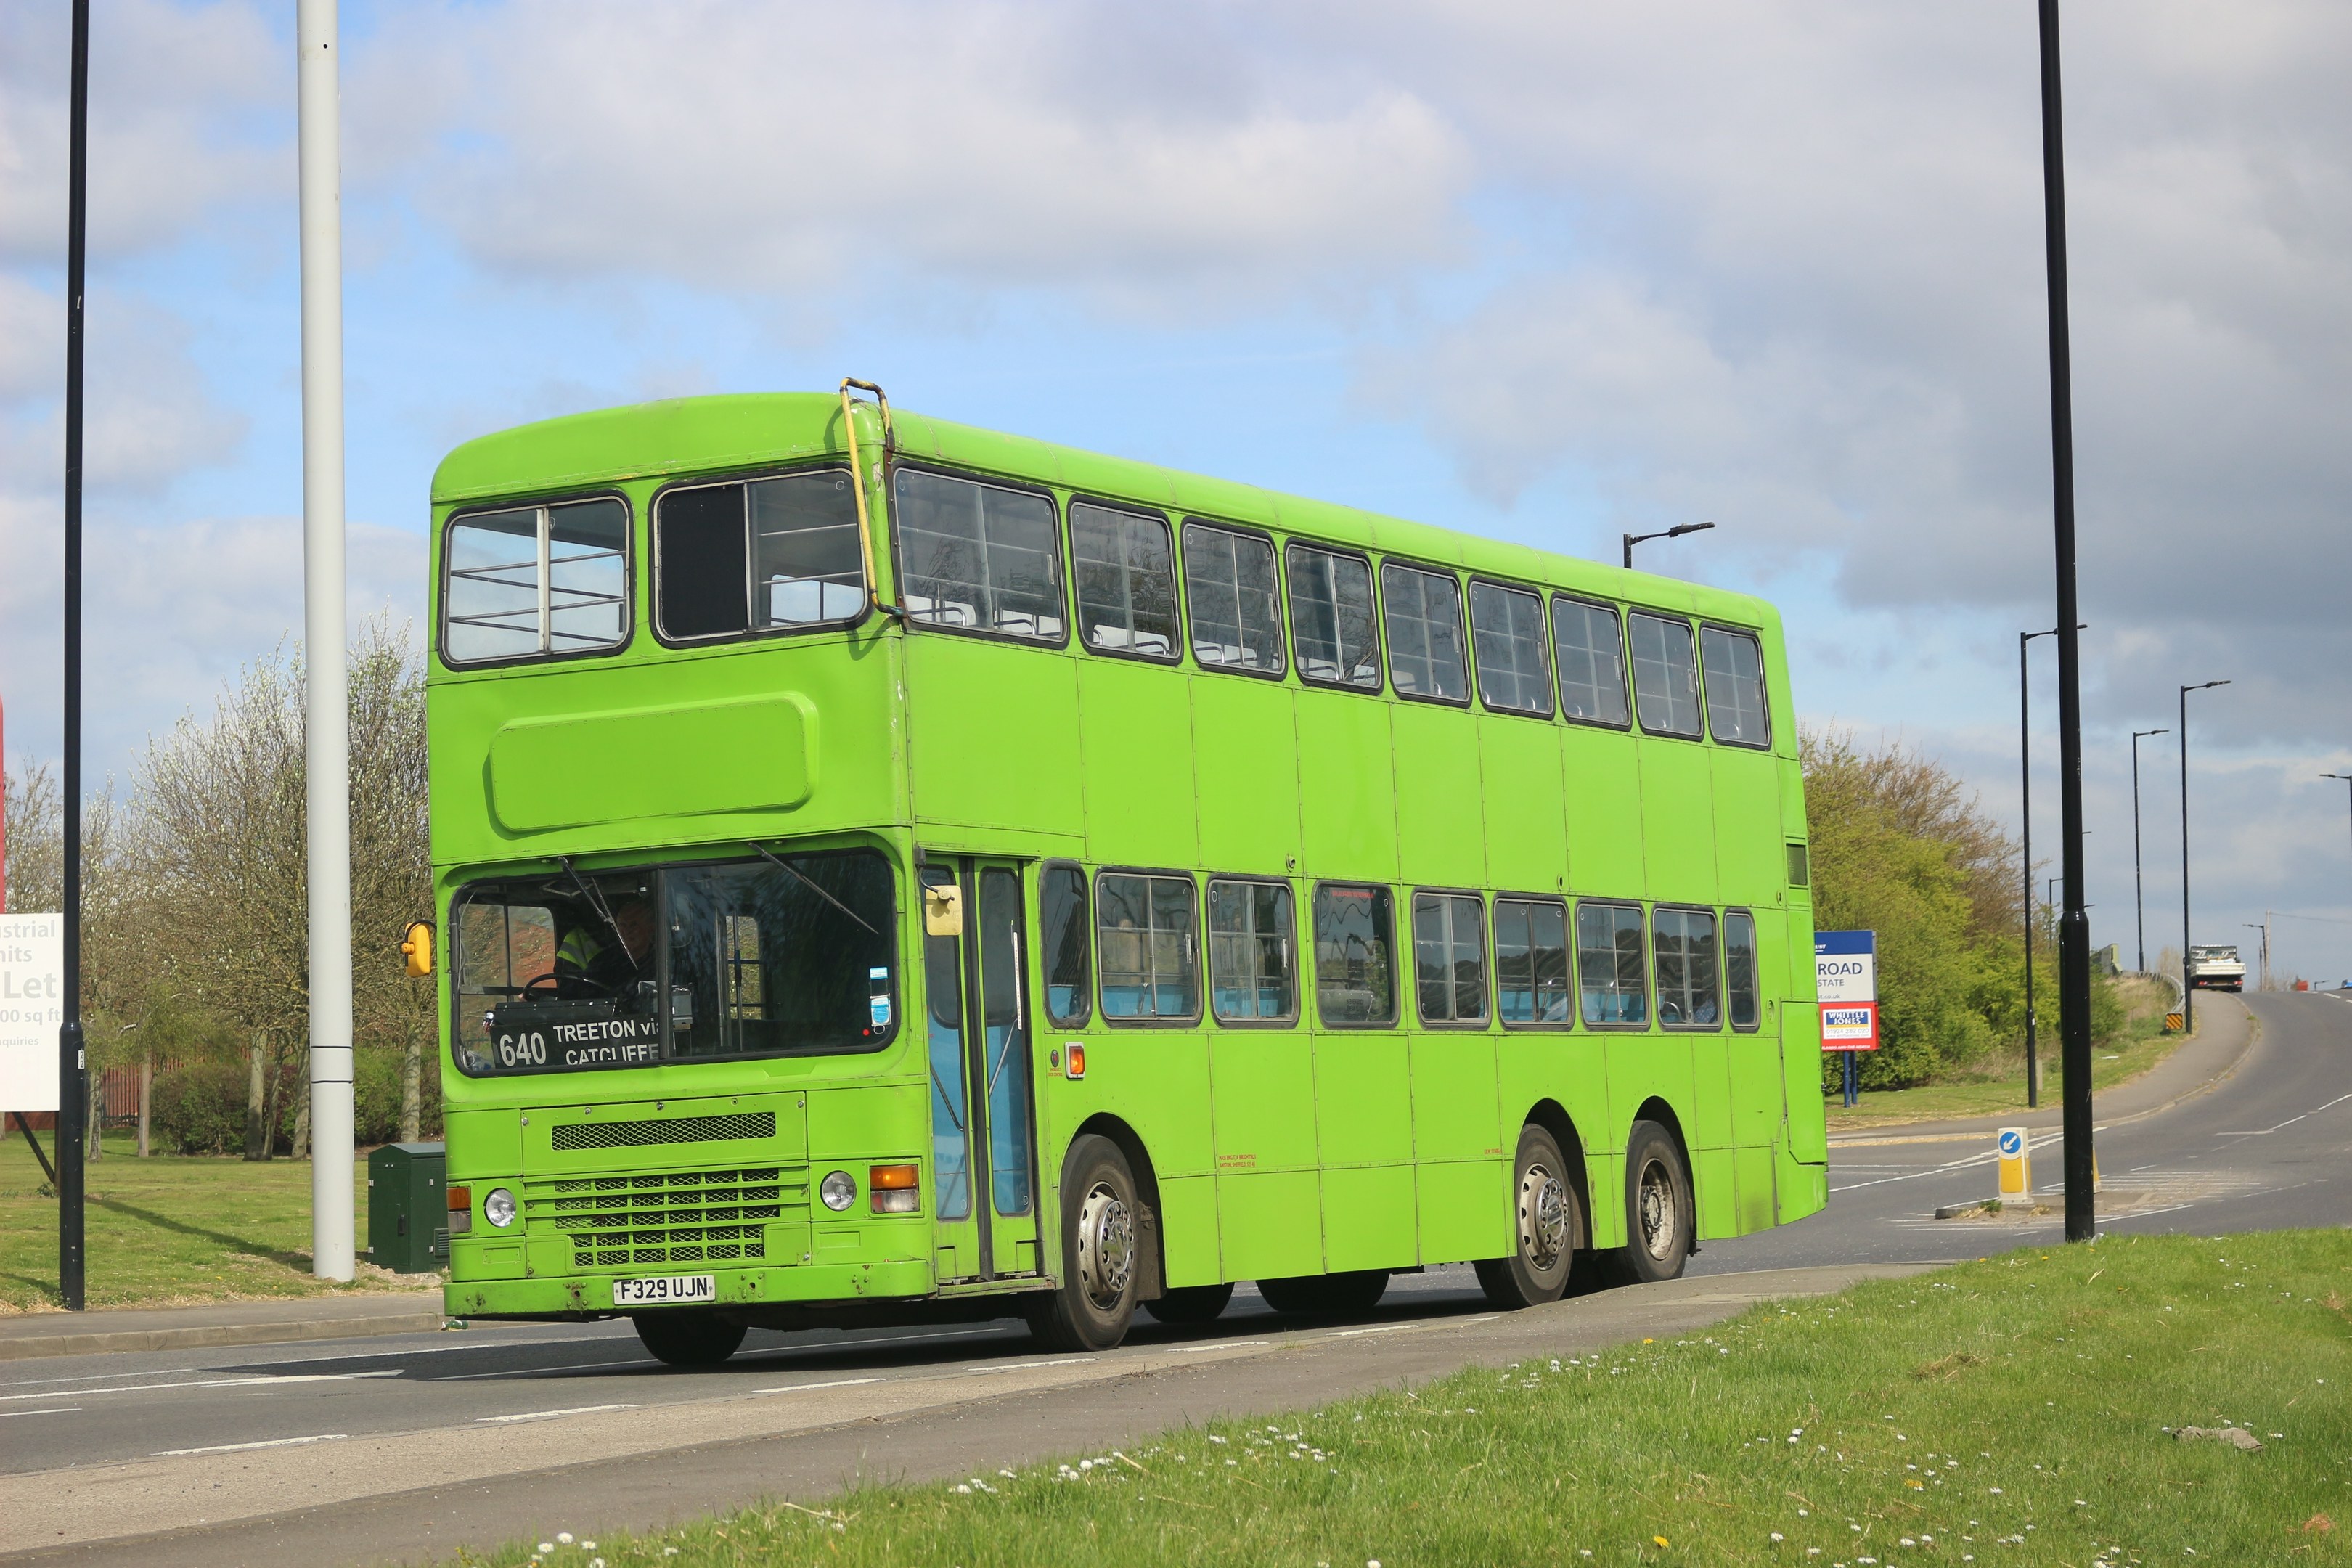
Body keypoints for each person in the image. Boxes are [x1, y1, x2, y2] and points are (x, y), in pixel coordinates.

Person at [552, 897, 656, 997]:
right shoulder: (603, 961)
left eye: (634, 925)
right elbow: (583, 993)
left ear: (651, 929)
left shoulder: (663, 962)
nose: (627, 931)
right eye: (623, 925)